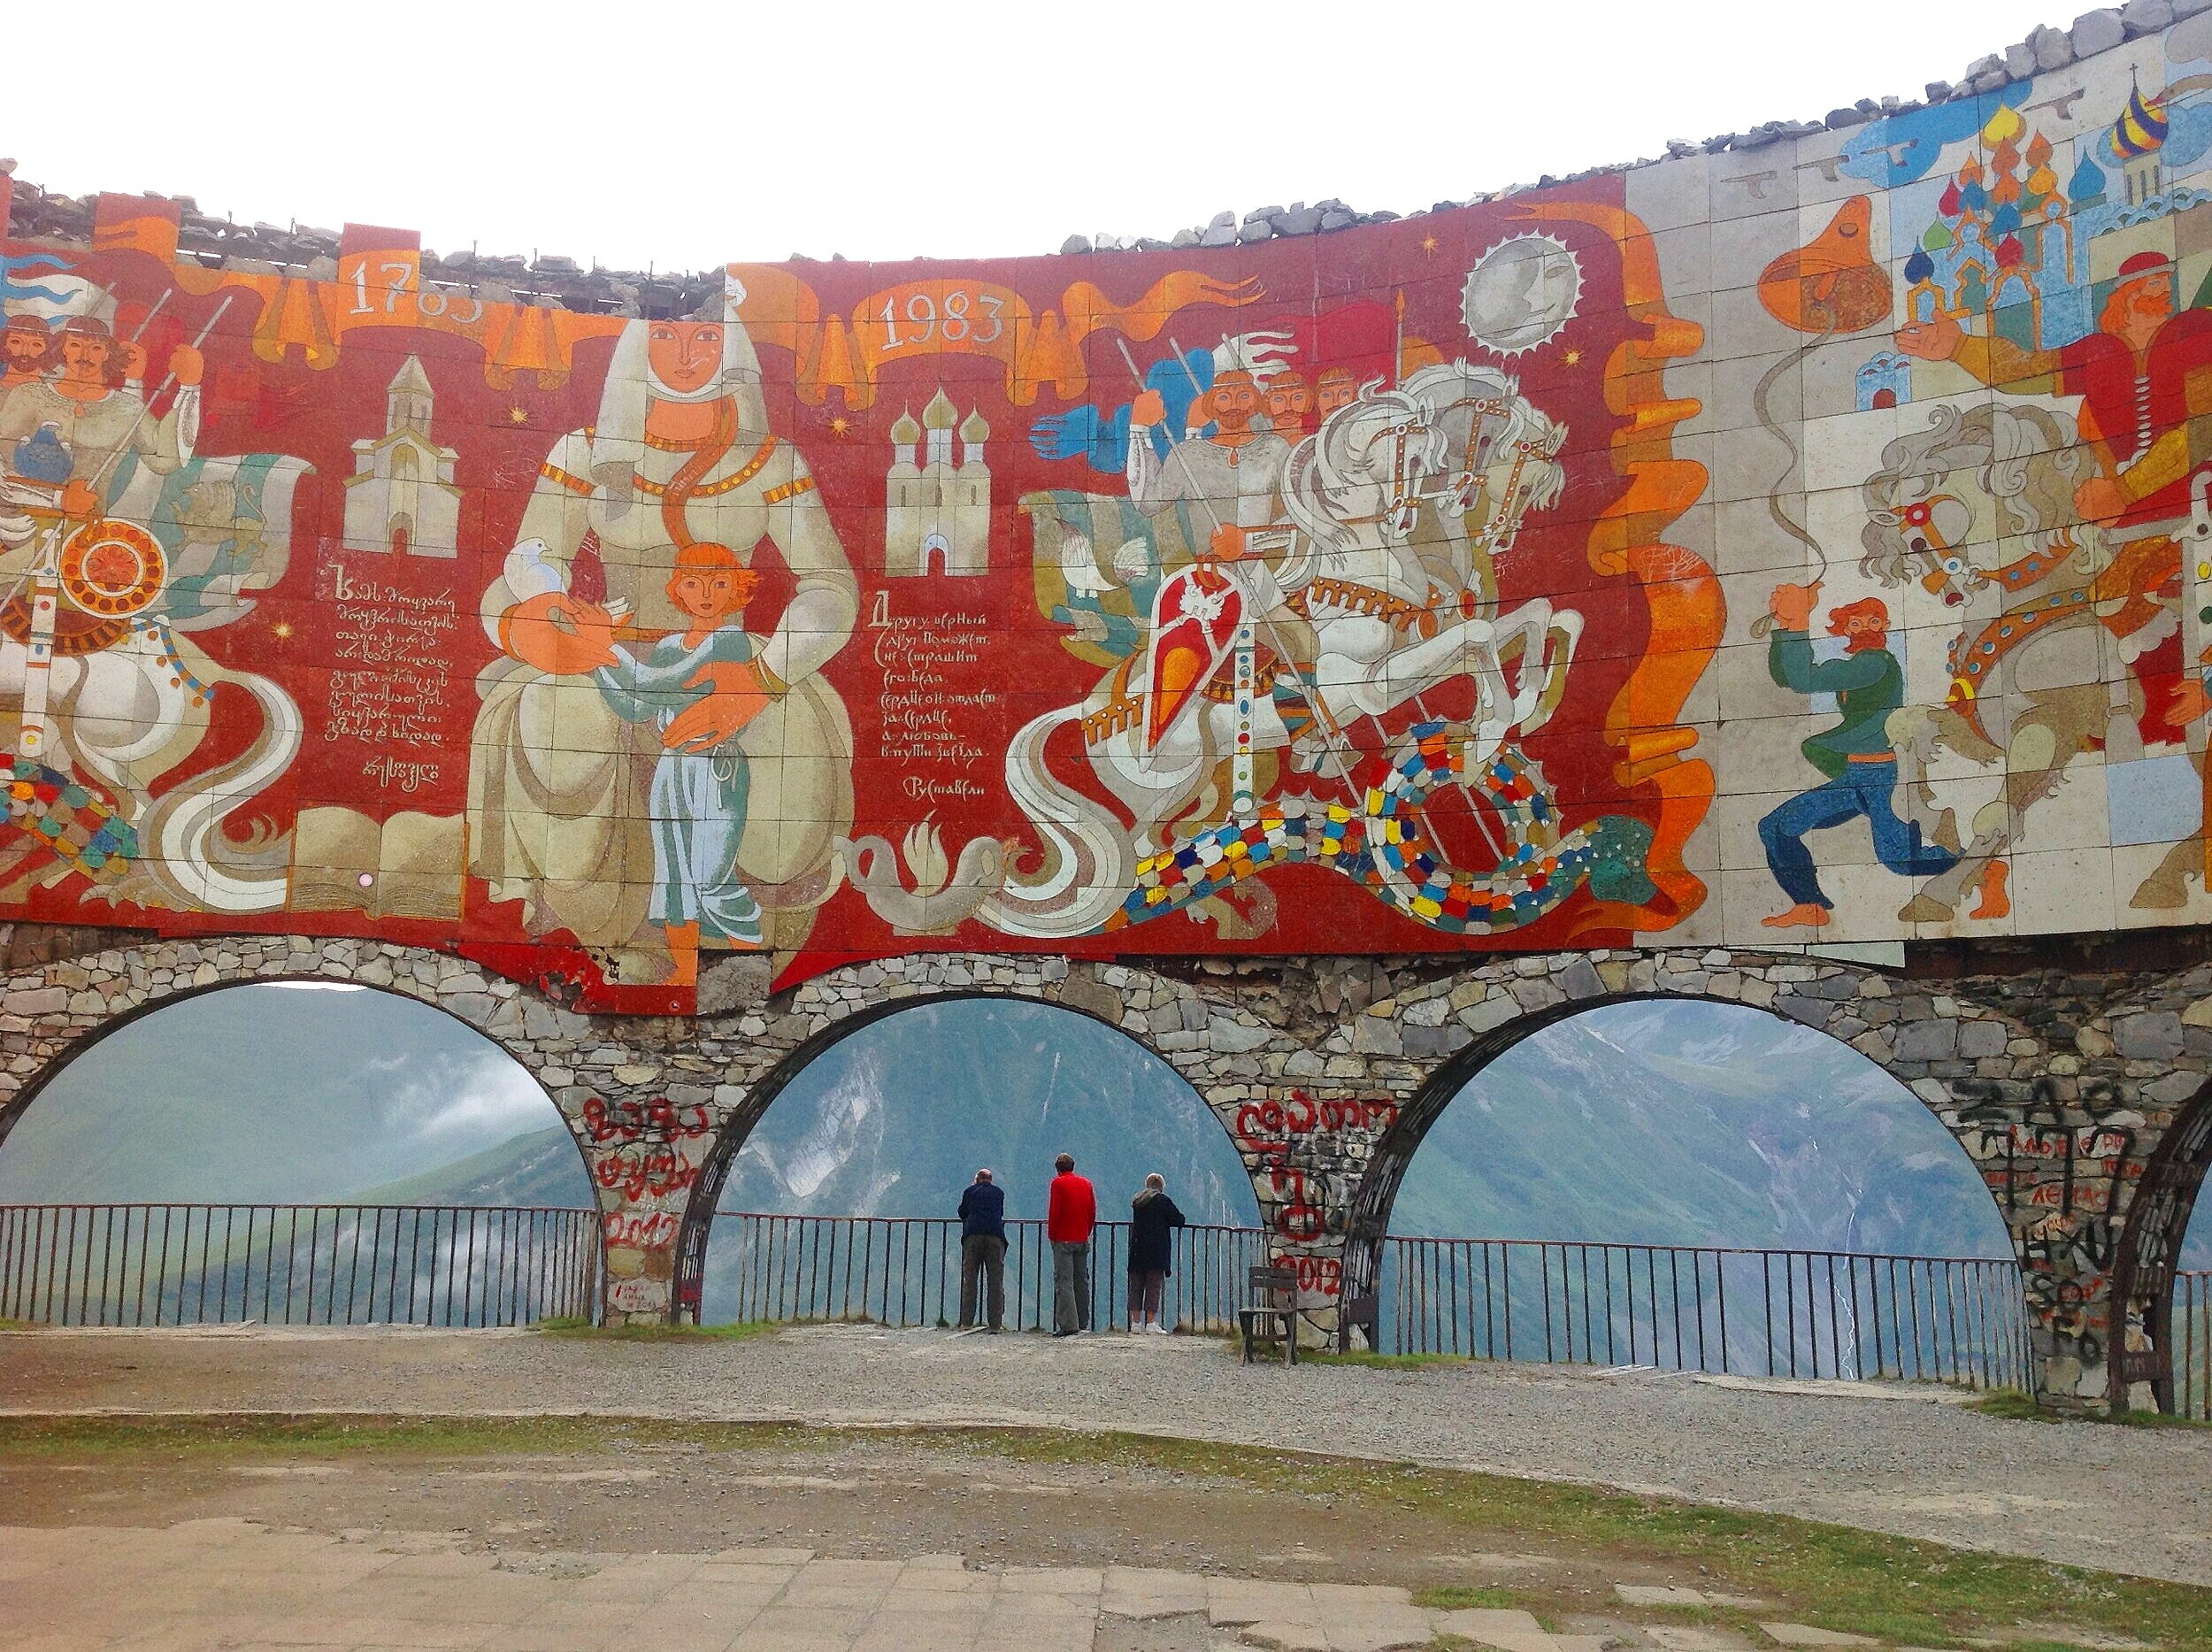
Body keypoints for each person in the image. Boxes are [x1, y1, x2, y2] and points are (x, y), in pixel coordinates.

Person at [469, 281, 858, 985]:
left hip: (730, 664)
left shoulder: (773, 463)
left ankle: (749, 908)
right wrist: (543, 623)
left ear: (730, 347)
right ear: (636, 351)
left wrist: (761, 678)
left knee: (788, 739)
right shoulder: (584, 453)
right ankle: (590, 914)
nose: (686, 356)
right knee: (555, 715)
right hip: (610, 660)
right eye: (668, 339)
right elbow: (520, 568)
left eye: (704, 338)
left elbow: (831, 589)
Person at [588, 542, 768, 986]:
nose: (705, 594)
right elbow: (635, 705)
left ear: (736, 591)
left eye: (719, 583)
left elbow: (661, 684)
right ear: (678, 591)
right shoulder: (669, 644)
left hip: (715, 767)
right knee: (673, 879)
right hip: (673, 768)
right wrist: (594, 659)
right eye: (693, 583)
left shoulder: (730, 640)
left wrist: (603, 646)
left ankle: (753, 970)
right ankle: (685, 973)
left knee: (711, 877)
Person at [1756, 580, 1957, 927]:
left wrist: (1798, 622)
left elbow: (1804, 678)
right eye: (1855, 623)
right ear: (1843, 630)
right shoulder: (1858, 665)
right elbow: (1787, 678)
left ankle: (1979, 861)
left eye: (1873, 622)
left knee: (1901, 862)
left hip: (1882, 779)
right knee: (1777, 826)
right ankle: (1809, 906)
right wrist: (1787, 627)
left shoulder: (1876, 664)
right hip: (1855, 776)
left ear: (1886, 627)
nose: (1865, 629)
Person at [1126, 1172, 1187, 1334]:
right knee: (1153, 1286)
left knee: (1136, 1286)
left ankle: (1135, 1323)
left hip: (1137, 1248)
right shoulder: (1162, 1201)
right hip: (1156, 1250)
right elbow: (1179, 1219)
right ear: (1161, 1187)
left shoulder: (1137, 1201)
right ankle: (1150, 1323)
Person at [1047, 1152, 1096, 1337]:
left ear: (1057, 1168)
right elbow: (1092, 1211)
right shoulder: (1086, 1183)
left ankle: (1069, 1324)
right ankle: (1083, 1321)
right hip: (1082, 1238)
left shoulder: (1057, 1183)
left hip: (1063, 1239)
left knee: (1064, 1281)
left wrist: (1052, 1235)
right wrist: (1086, 1231)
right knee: (1081, 1281)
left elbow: (1055, 1211)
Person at [956, 1167, 1006, 1333]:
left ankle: (966, 1322)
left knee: (970, 1280)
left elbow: (962, 1212)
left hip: (973, 1237)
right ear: (990, 1180)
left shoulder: (969, 1191)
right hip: (994, 1237)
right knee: (995, 1281)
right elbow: (1000, 1212)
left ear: (977, 1179)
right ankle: (995, 1324)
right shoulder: (999, 1193)